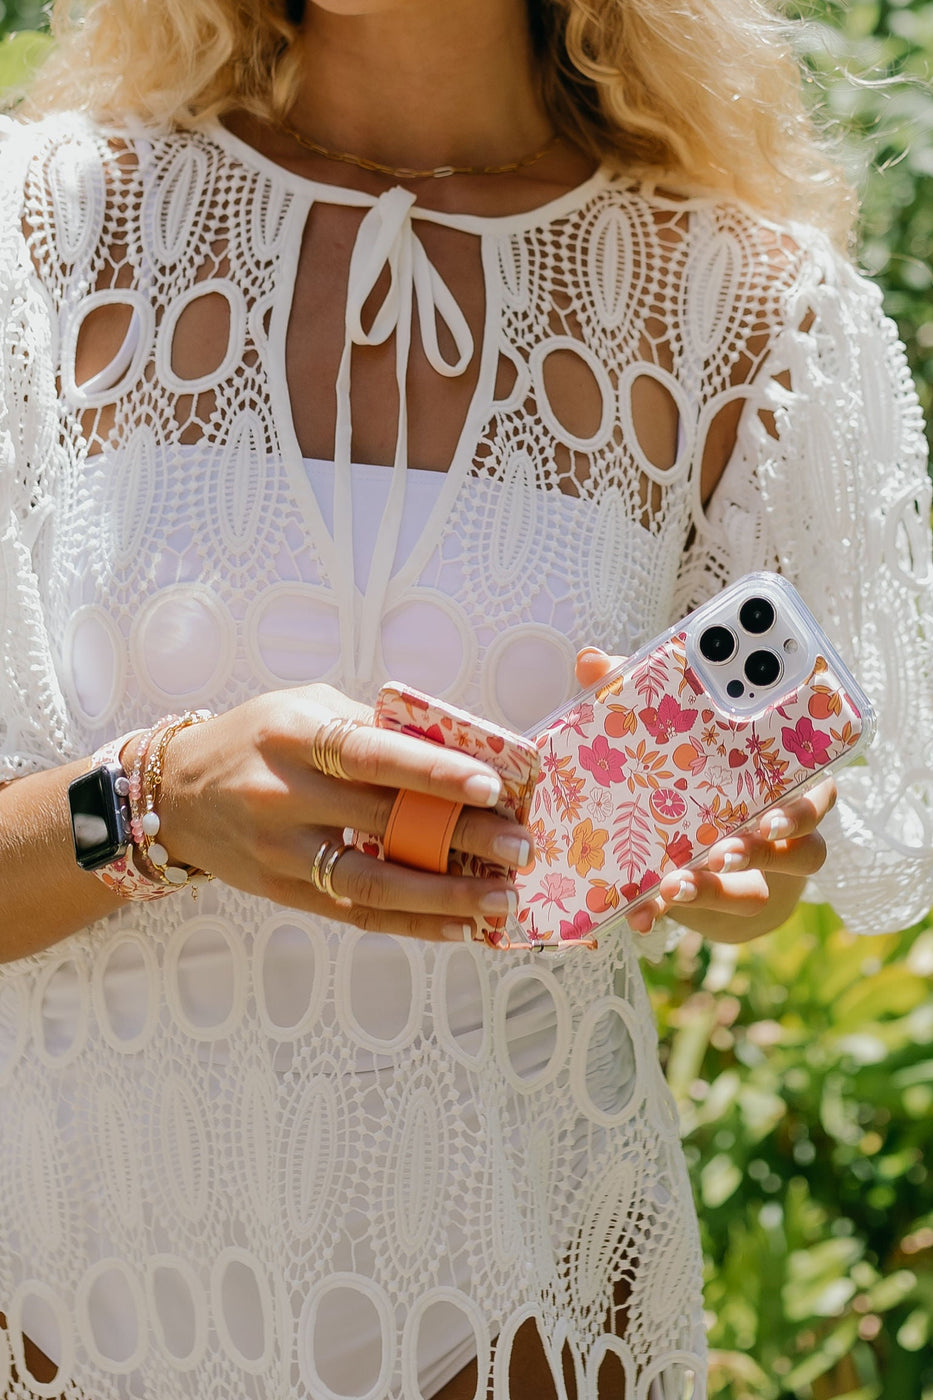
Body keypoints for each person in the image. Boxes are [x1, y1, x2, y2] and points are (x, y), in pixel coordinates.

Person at [0, 0, 931, 1396]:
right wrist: (158, 803)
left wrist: (741, 865)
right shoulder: (40, 233)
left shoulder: (743, 306)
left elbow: (807, 829)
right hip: (54, 1305)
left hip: (515, 1307)